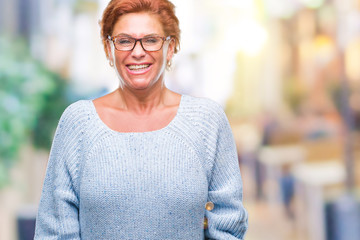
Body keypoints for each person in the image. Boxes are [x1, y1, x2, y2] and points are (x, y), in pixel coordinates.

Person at [34, 0, 248, 239]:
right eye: (124, 40)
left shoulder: (207, 121)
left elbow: (228, 227)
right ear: (108, 48)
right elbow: (55, 230)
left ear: (171, 46)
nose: (137, 52)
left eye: (151, 40)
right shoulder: (79, 123)